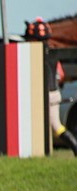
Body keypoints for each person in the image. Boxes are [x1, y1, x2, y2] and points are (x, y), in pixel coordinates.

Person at [25, 18, 77, 156]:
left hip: (46, 93)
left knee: (56, 126)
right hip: (54, 92)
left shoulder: (36, 52)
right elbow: (60, 73)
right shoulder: (52, 51)